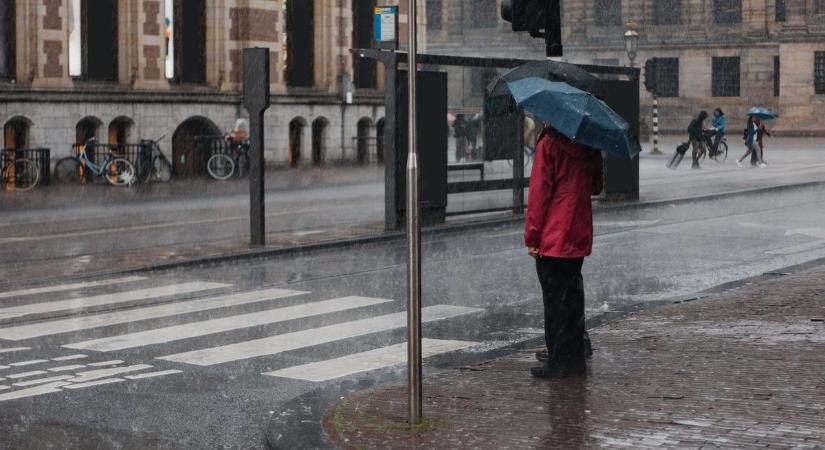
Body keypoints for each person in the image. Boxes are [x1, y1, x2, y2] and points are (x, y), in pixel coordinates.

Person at [525, 124, 603, 379]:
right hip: (578, 233)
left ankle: (558, 362)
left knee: (554, 301)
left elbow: (539, 195)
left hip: (553, 235)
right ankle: (575, 360)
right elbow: (596, 187)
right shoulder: (590, 145)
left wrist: (532, 236)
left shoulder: (548, 145)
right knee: (572, 297)